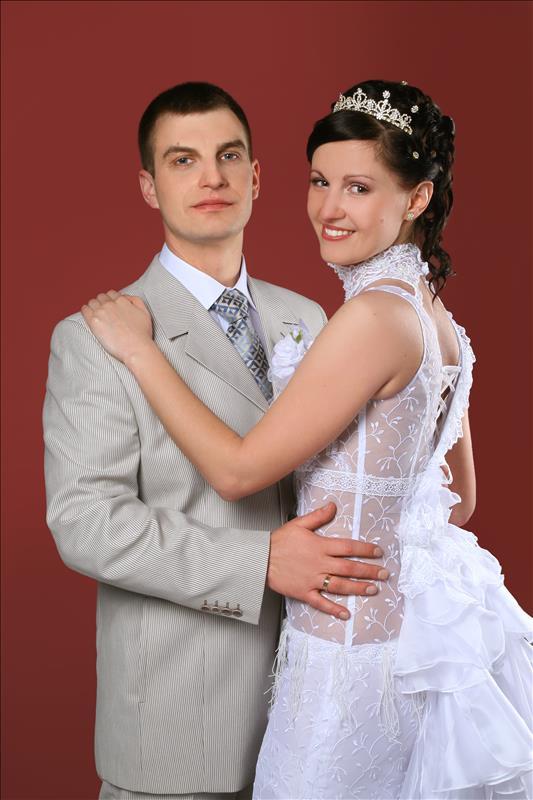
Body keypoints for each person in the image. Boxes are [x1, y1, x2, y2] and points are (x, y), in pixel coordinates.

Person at [82, 79, 533, 800]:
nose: (329, 208)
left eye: (359, 187)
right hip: (395, 641)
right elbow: (461, 499)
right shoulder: (436, 318)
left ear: (416, 198)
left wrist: (141, 351)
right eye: (320, 182)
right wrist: (375, 539)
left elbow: (238, 473)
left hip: (341, 653)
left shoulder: (369, 319)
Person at [43, 82, 390, 800]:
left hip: (311, 703)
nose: (212, 178)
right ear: (149, 186)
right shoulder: (96, 338)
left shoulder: (310, 317)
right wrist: (259, 561)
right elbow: (86, 524)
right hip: (180, 717)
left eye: (229, 156)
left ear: (257, 178)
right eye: (183, 160)